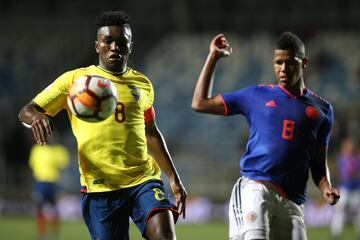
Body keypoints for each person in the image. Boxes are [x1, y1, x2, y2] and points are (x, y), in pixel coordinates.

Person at [19, 10, 187, 240]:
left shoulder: (142, 84)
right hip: (100, 189)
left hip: (143, 180)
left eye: (121, 42)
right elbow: (27, 111)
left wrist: (173, 178)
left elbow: (150, 132)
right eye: (107, 41)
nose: (114, 47)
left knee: (165, 236)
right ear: (97, 45)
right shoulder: (75, 81)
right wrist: (37, 118)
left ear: (130, 46)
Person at [191, 32, 340, 240]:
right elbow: (200, 103)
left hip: (293, 200)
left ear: (304, 63)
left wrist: (326, 187)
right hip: (257, 187)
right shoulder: (256, 95)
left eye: (290, 62)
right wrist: (213, 57)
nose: (283, 69)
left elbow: (318, 162)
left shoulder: (323, 110)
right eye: (278, 62)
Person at [28, 134, 70, 240]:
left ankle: (54, 233)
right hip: (40, 182)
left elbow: (63, 166)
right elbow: (32, 167)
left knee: (54, 208)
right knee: (39, 207)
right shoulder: (36, 149)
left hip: (53, 182)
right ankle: (42, 233)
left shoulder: (59, 150)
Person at [330, 137, 360, 240]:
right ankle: (336, 234)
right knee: (339, 211)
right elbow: (339, 174)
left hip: (356, 189)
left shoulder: (357, 159)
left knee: (357, 213)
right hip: (344, 189)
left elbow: (352, 173)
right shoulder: (342, 159)